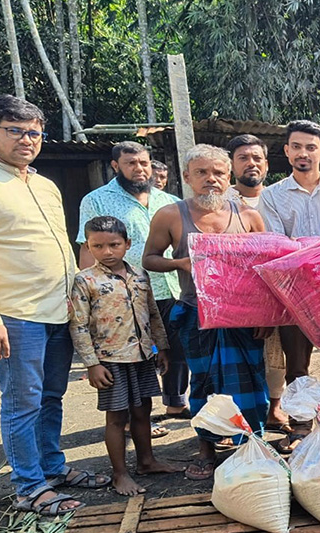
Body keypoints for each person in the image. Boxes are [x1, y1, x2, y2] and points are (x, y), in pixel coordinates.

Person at [0, 95, 108, 515]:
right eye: (15, 130)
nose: (26, 139)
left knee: (52, 396)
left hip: (58, 311)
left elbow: (63, 252)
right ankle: (29, 487)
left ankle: (53, 469)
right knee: (21, 403)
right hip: (13, 315)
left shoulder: (44, 185)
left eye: (34, 132)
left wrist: (77, 302)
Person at [143, 144, 270, 480]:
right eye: (201, 172)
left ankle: (250, 444)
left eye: (218, 173)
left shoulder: (248, 216)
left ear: (228, 177)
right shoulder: (171, 215)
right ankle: (206, 449)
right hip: (196, 313)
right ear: (187, 177)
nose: (210, 179)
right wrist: (180, 262)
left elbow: (267, 268)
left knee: (250, 382)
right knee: (204, 383)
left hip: (243, 318)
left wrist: (264, 317)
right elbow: (149, 258)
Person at [77, 142, 190, 429]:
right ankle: (128, 417)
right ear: (116, 166)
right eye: (131, 163)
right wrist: (91, 291)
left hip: (172, 286)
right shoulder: (97, 199)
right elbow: (87, 246)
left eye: (144, 163)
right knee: (132, 353)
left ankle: (175, 403)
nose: (139, 169)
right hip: (125, 291)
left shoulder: (170, 201)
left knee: (176, 348)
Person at [70, 217, 184, 496]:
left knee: (143, 411)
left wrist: (162, 347)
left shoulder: (139, 275)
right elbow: (79, 325)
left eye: (114, 245)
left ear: (127, 244)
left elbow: (153, 315)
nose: (107, 251)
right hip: (110, 360)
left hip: (143, 355)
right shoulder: (85, 281)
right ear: (88, 246)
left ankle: (147, 461)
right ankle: (119, 474)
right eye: (98, 246)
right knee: (117, 418)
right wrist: (92, 364)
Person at [261, 120, 320, 445]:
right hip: (293, 292)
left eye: (311, 147)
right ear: (286, 151)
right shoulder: (272, 196)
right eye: (296, 146)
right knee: (297, 363)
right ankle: (301, 425)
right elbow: (277, 245)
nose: (303, 153)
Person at [223, 134, 287, 430]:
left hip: (274, 288)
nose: (251, 164)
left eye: (257, 158)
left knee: (275, 353)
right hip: (233, 293)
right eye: (243, 158)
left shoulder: (276, 197)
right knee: (234, 359)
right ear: (232, 164)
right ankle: (233, 418)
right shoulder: (221, 200)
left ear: (266, 163)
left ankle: (275, 409)